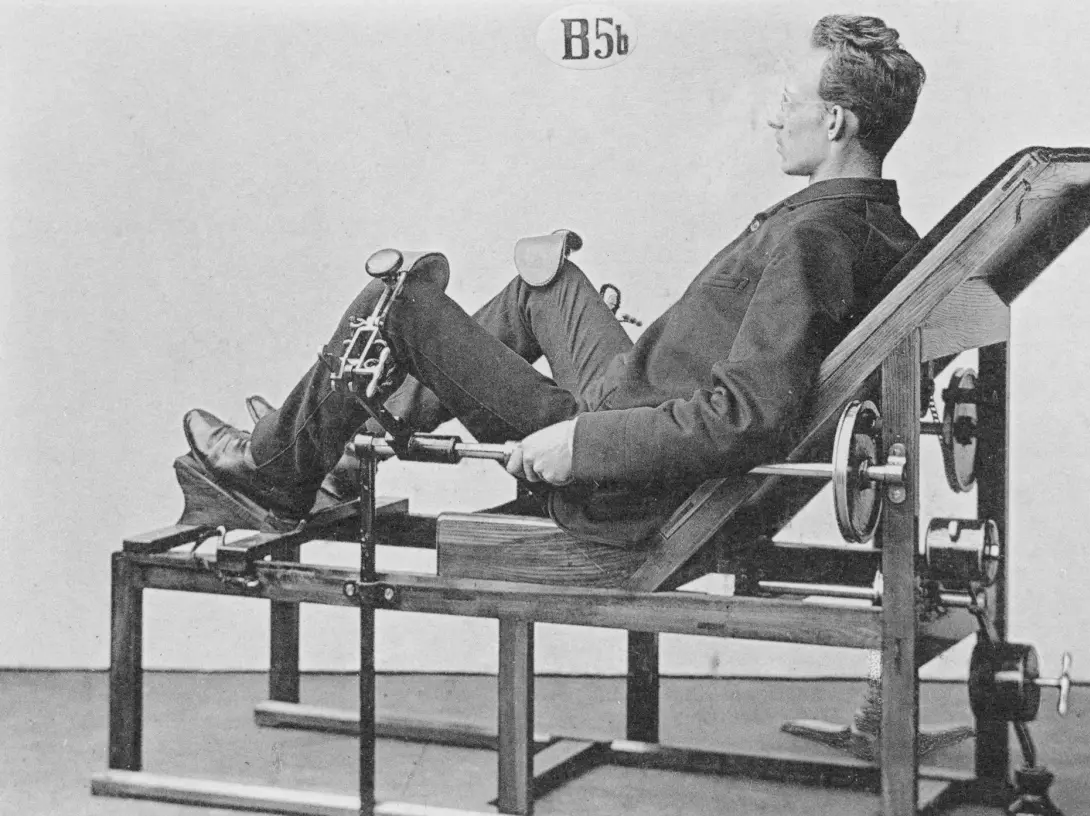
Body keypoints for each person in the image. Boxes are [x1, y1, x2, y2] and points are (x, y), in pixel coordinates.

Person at [183, 14, 926, 548]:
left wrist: (583, 444)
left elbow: (745, 418)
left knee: (398, 300)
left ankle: (273, 470)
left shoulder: (813, 239)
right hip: (633, 394)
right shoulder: (877, 225)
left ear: (835, 122)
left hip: (620, 474)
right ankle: (343, 445)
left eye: (790, 102)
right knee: (542, 286)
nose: (774, 118)